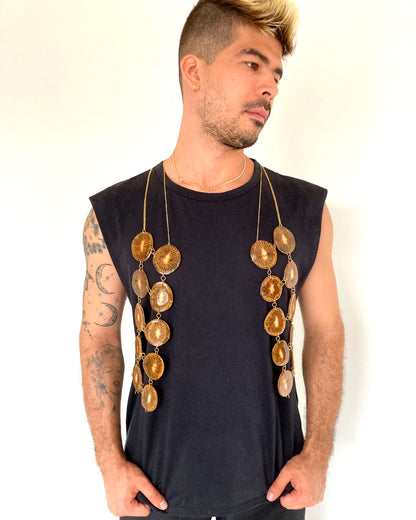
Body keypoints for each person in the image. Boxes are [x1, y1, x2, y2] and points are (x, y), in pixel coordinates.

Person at [79, 1, 344, 519]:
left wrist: (317, 454)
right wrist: (110, 464)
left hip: (275, 498)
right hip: (152, 500)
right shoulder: (115, 214)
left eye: (276, 74)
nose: (270, 87)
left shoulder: (303, 210)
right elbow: (98, 336)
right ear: (194, 71)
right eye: (252, 63)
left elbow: (327, 330)